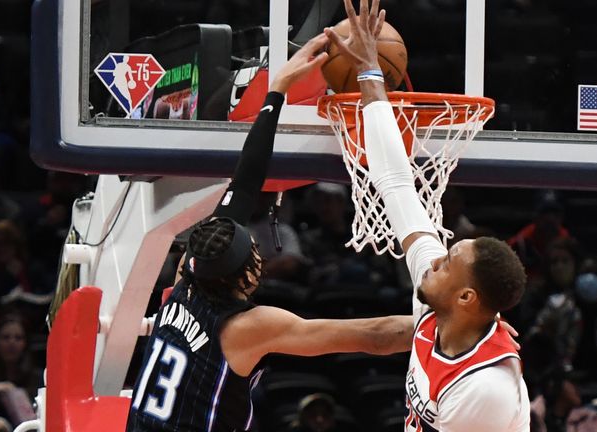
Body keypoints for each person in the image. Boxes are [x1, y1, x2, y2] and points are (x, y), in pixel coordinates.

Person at [126, 34, 413, 432]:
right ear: (247, 276)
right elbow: (372, 336)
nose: (259, 252)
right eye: (255, 252)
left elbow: (245, 181)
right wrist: (451, 322)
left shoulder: (187, 278)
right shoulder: (244, 327)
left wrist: (277, 90)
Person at [324, 1, 529, 430]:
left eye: (448, 262)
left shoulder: (486, 388)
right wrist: (369, 72)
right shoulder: (441, 308)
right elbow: (395, 182)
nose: (435, 259)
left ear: (466, 298)